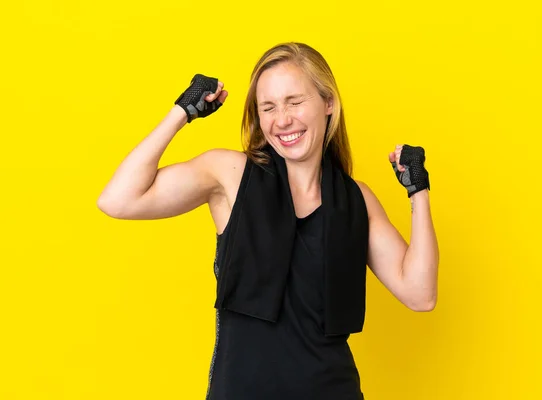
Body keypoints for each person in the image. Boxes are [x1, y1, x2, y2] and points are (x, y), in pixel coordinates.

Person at [97, 42, 439, 400]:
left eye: (295, 101)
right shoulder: (230, 175)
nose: (282, 119)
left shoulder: (356, 200)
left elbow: (420, 294)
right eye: (269, 107)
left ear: (329, 103)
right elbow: (118, 200)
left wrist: (419, 191)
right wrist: (181, 113)